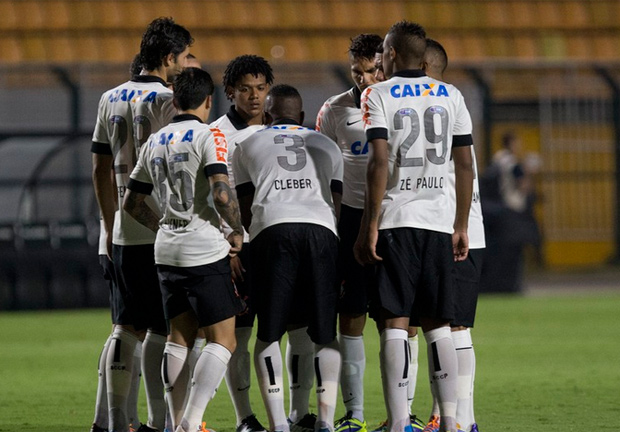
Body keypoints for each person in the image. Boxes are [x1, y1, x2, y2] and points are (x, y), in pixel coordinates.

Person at [355, 20, 474, 432]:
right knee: (439, 322)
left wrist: (369, 226)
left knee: (395, 323)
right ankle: (452, 420)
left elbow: (379, 162)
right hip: (440, 222)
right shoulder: (451, 94)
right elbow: (465, 164)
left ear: (389, 53)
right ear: (424, 57)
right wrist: (460, 224)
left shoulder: (376, 94)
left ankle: (400, 422)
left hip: (396, 220)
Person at [123, 67, 246, 432]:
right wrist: (236, 230)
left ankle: (174, 421)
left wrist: (161, 225)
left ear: (174, 100)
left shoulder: (155, 140)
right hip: (202, 250)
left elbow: (131, 202)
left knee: (178, 336)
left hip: (166, 251)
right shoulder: (208, 135)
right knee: (224, 340)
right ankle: (190, 423)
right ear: (209, 100)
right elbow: (221, 192)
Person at [91, 16, 192, 432]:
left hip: (121, 231)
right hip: (163, 227)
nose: (186, 64)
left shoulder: (109, 97)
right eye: (184, 56)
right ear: (169, 57)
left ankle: (113, 423)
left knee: (124, 327)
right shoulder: (170, 101)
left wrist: (111, 224)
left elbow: (99, 169)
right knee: (169, 330)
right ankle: (162, 422)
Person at [232, 84, 344, 432]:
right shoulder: (326, 144)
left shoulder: (246, 144)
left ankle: (279, 424)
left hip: (273, 229)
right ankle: (324, 420)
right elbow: (336, 203)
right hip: (322, 231)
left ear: (265, 116)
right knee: (324, 334)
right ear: (303, 118)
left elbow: (246, 208)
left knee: (268, 334)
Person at [315, 33, 385, 432]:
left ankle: (401, 412)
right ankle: (355, 414)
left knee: (399, 321)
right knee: (351, 318)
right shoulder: (334, 110)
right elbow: (326, 173)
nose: (363, 78)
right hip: (351, 222)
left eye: (371, 70)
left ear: (384, 64)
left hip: (395, 220)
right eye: (357, 71)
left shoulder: (395, 104)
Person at [421, 38, 484, 432]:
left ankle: (461, 420)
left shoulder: (434, 105)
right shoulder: (451, 103)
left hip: (454, 230)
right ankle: (450, 417)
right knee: (447, 326)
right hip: (463, 228)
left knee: (452, 326)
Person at [209, 54, 274, 432]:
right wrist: (230, 244)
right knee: (241, 336)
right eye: (246, 89)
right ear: (230, 92)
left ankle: (296, 413)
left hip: (277, 242)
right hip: (240, 245)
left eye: (261, 88)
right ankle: (244, 417)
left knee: (285, 329)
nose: (255, 96)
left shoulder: (280, 127)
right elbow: (215, 195)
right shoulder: (217, 134)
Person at [479, 132, 541, 293]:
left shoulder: (497, 159)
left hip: (495, 210)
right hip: (511, 211)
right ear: (512, 143)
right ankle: (513, 286)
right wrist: (528, 172)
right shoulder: (512, 163)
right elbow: (523, 186)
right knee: (516, 250)